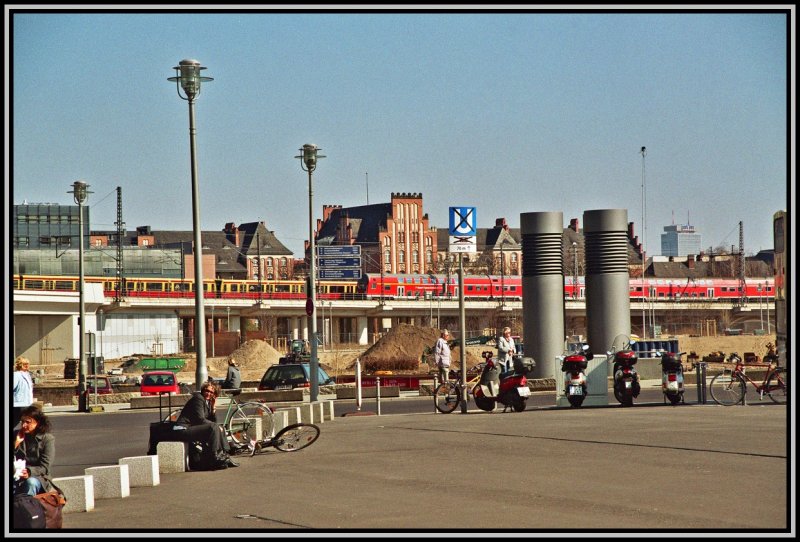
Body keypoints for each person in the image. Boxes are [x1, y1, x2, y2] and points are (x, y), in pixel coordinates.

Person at [175, 381, 238, 469]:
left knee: (220, 427)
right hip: (182, 429)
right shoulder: (198, 398)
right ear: (202, 390)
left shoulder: (207, 403)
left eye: (211, 392)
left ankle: (224, 455)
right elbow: (200, 419)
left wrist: (213, 409)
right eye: (206, 391)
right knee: (215, 427)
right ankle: (214, 457)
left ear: (214, 394)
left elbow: (213, 422)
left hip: (191, 428)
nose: (208, 393)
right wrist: (216, 426)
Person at [13, 404, 55, 496]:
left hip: (38, 477)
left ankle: (27, 507)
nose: (24, 425)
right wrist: (15, 444)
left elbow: (45, 467)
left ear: (38, 422)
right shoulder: (16, 435)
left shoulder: (47, 439)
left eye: (28, 422)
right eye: (22, 422)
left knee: (31, 482)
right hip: (15, 475)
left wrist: (29, 471)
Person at [13, 357, 34, 429]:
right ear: (20, 365)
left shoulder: (27, 375)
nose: (27, 365)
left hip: (27, 403)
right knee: (15, 422)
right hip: (18, 404)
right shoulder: (16, 375)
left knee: (27, 423)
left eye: (28, 364)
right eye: (24, 364)